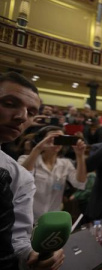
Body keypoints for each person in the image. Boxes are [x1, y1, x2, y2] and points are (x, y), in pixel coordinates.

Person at [0, 71, 64, 269]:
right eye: (10, 104)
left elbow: (17, 240)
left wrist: (32, 256)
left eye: (32, 112)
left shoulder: (18, 176)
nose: (22, 117)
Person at [18, 125, 87, 221]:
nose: (55, 142)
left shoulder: (65, 164)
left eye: (60, 139)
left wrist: (80, 156)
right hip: (27, 217)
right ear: (41, 140)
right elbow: (21, 176)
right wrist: (38, 148)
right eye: (51, 138)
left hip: (51, 219)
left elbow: (80, 183)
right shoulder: (26, 159)